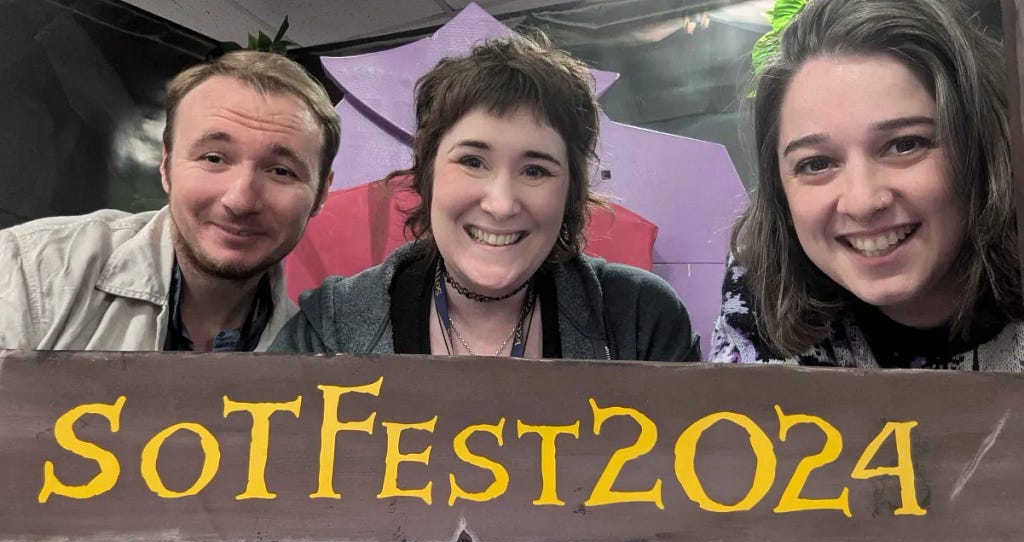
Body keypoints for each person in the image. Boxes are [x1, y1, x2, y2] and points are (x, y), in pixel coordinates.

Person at [271, 34, 699, 361]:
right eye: (473, 162)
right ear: (427, 174)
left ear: (571, 192)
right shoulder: (329, 329)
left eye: (535, 170)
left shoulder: (641, 320)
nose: (500, 203)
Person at [710, 0, 1023, 369]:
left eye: (905, 145)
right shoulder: (761, 282)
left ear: (984, 151)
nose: (862, 202)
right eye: (816, 163)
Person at [0, 50, 339, 351]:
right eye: (214, 158)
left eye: (281, 171)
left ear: (321, 193)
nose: (240, 200)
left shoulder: (309, 353)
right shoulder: (33, 273)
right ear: (166, 166)